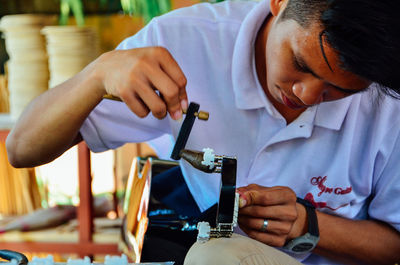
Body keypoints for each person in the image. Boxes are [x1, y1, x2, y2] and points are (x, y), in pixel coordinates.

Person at [6, 0, 400, 263]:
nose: (308, 95)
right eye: (300, 63)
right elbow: (23, 149)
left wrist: (309, 225)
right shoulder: (185, 44)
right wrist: (97, 75)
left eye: (341, 89)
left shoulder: (389, 99)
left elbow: (394, 242)